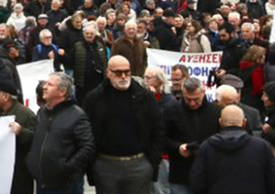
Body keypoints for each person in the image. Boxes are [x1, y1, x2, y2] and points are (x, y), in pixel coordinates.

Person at [82, 55, 164, 194]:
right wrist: (93, 163)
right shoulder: (94, 98)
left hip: (139, 164)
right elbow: (86, 131)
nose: (124, 76)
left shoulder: (144, 97)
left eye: (127, 72)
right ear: (109, 73)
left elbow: (158, 129)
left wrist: (152, 162)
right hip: (105, 166)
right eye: (118, 73)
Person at [188, 105, 275, 194]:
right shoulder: (262, 147)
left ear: (220, 122)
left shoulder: (207, 147)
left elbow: (197, 185)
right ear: (244, 122)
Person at [27, 72, 95, 194]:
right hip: (42, 182)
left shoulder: (76, 115)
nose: (44, 87)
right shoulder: (42, 113)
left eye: (50, 84)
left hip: (65, 185)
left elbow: (87, 147)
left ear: (62, 92)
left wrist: (66, 168)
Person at [164, 76, 221, 194]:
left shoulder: (216, 112)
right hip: (181, 174)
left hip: (208, 173)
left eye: (196, 99)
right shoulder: (171, 110)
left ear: (203, 92)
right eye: (188, 99)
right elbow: (161, 138)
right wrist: (178, 147)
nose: (192, 103)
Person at [0, 81, 37, 194]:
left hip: (19, 173)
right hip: (0, 170)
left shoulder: (26, 114)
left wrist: (21, 132)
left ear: (6, 96)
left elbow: (35, 140)